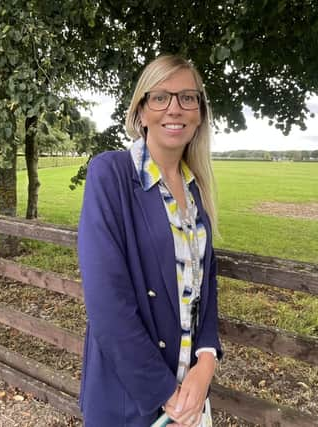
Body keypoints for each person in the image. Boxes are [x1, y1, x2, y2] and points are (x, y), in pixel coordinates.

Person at [77, 55, 223, 427]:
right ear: (140, 111)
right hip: (132, 398)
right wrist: (166, 396)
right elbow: (107, 303)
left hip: (190, 395)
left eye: (188, 98)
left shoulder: (196, 192)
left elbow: (205, 290)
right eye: (160, 97)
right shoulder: (110, 174)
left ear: (200, 113)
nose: (175, 108)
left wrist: (206, 362)